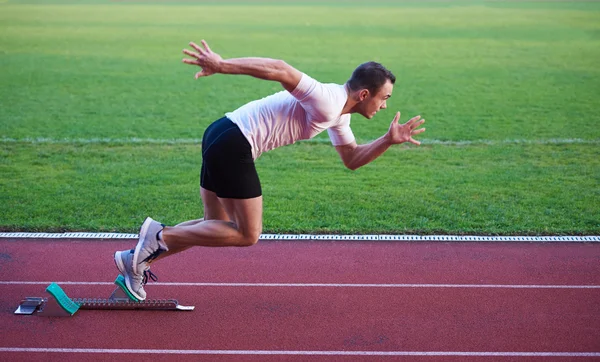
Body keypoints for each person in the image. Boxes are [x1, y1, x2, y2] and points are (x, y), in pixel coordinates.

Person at [113, 40, 426, 300]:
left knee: (214, 225)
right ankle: (157, 236)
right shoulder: (328, 100)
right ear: (364, 95)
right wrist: (222, 65)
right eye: (384, 98)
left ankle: (136, 260)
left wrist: (387, 139)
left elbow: (352, 159)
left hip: (221, 132)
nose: (384, 105)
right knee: (248, 233)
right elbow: (280, 68)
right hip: (236, 143)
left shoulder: (338, 115)